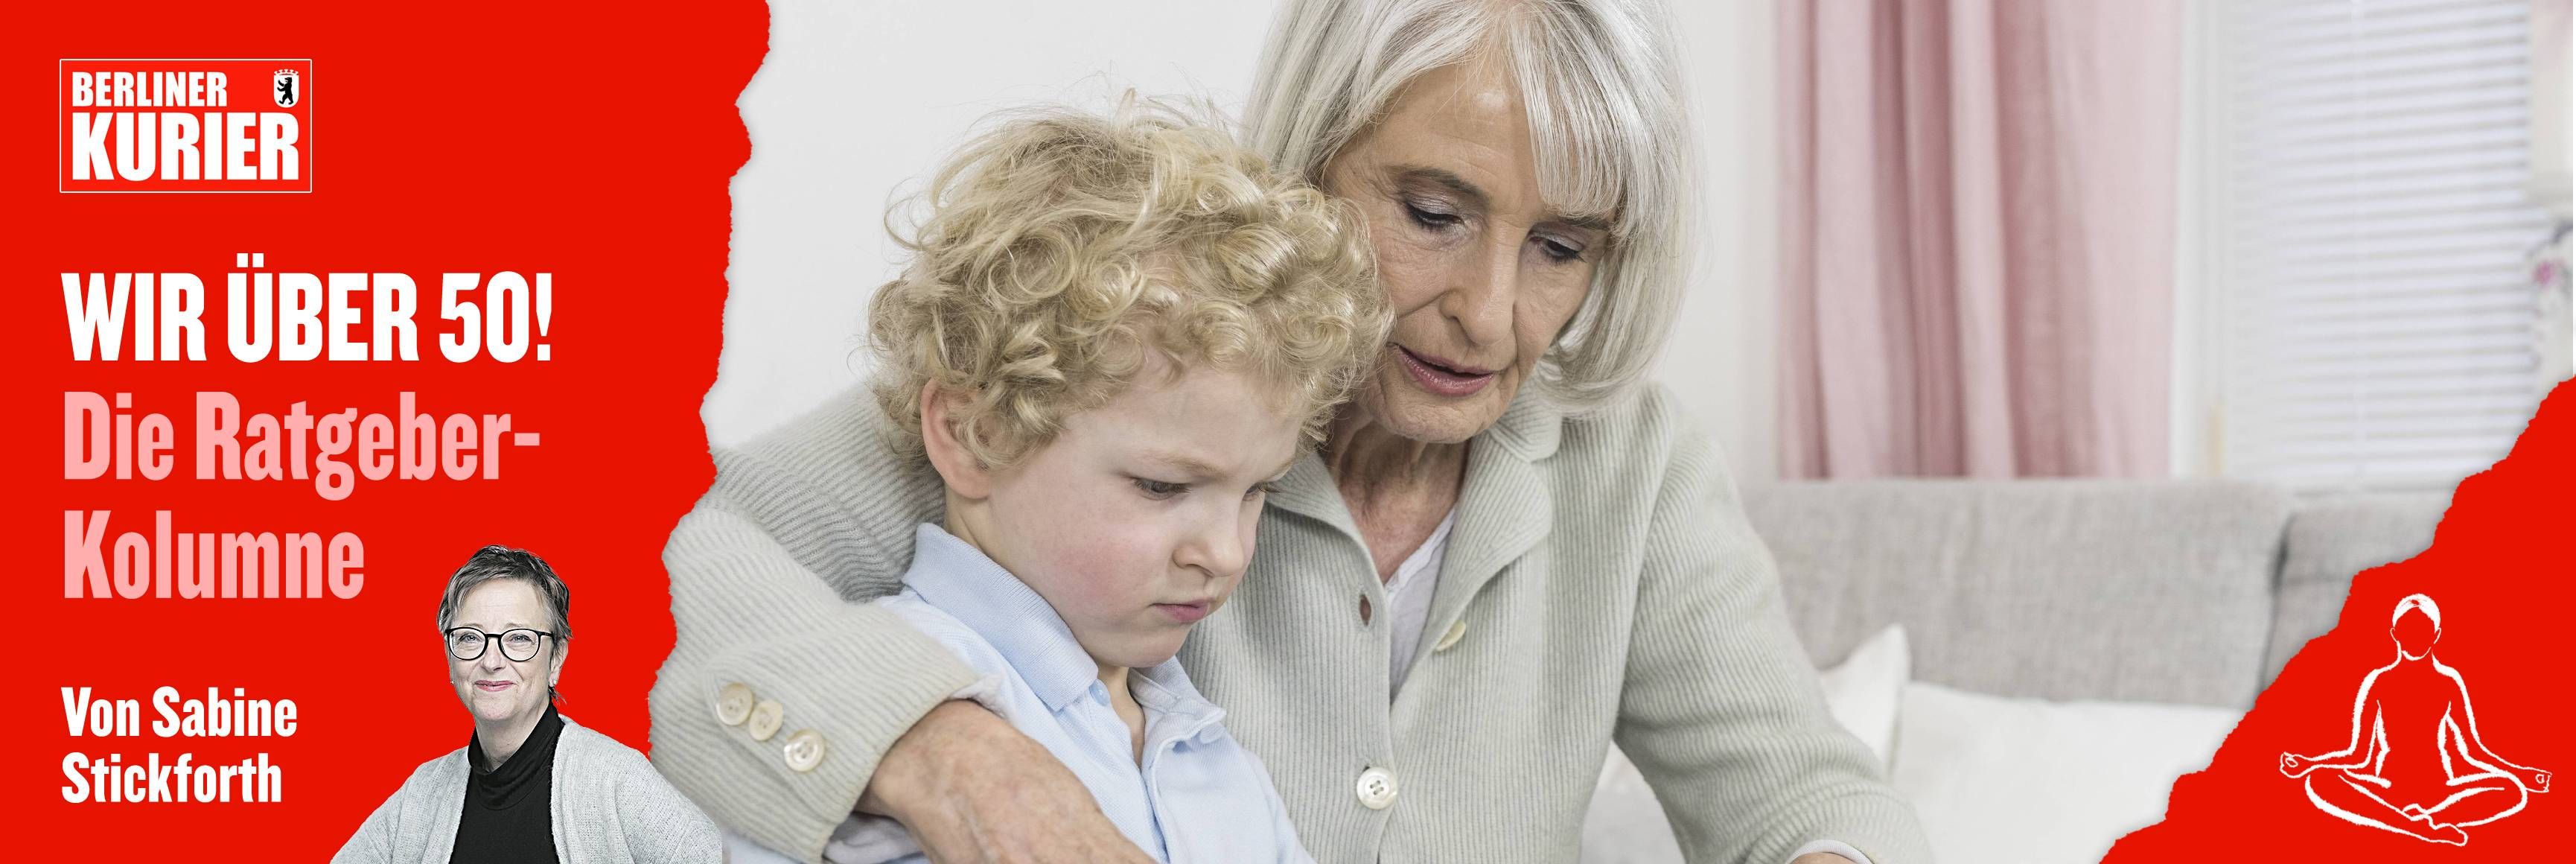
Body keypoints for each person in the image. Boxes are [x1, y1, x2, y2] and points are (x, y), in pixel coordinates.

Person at [649, 1, 1931, 861]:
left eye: (1559, 249)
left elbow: (1799, 792)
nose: (1488, 317)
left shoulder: (1629, 467)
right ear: (1314, 154)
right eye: (1433, 213)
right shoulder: (1114, 364)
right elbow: (638, 556)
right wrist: (934, 746)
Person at [721, 101, 1379, 864]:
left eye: (1258, 489)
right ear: (976, 435)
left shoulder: (1215, 759)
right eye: (1162, 487)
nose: (1227, 551)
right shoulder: (876, 726)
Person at [336, 547, 721, 864]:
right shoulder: (423, 793)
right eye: (471, 638)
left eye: (519, 638)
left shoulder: (616, 779)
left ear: (556, 659)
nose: (492, 660)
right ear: (449, 657)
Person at [2280, 594, 2552, 845]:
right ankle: (2415, 827)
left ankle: (2421, 822)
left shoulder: (2448, 683)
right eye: (2408, 630)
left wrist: (2522, 775)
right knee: (2319, 780)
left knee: (2512, 790)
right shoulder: (2380, 682)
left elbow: (2472, 751)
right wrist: (2309, 764)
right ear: (2395, 634)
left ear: (2436, 635)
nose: (2415, 637)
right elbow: (2359, 755)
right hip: (2388, 788)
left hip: (2440, 790)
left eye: (2422, 630)